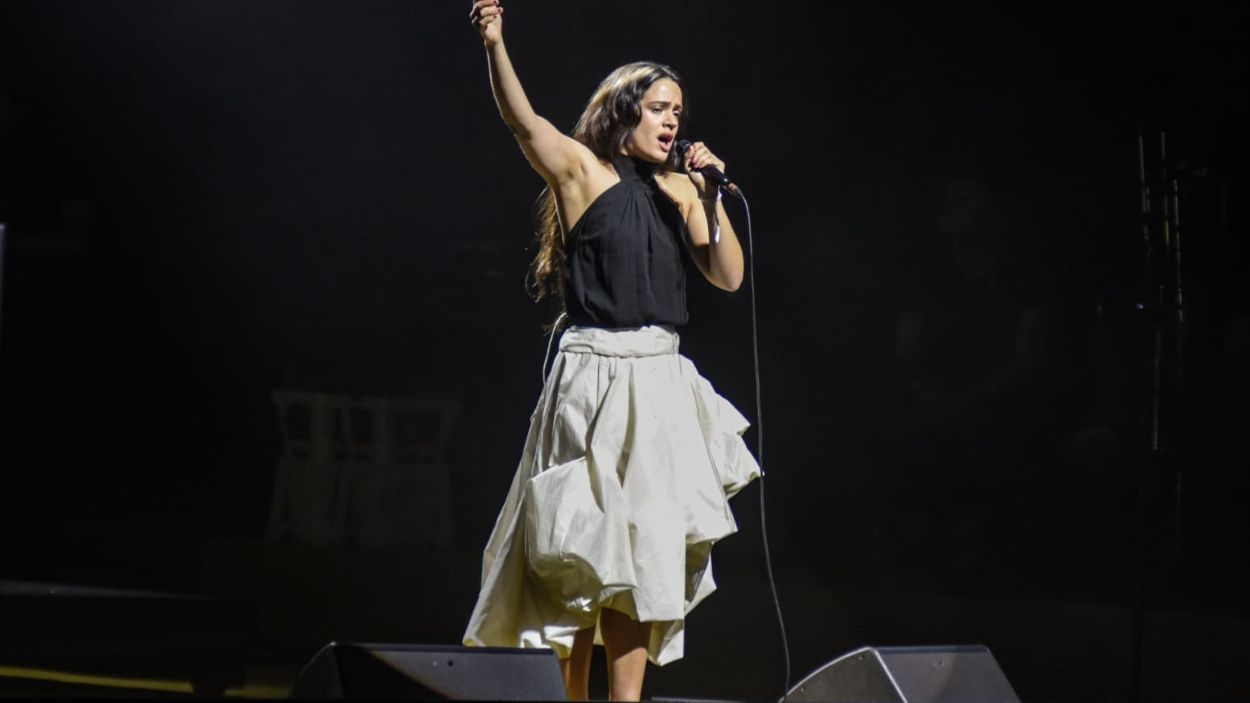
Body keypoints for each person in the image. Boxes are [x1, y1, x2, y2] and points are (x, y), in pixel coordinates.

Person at [461, 1, 760, 700]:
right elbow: (524, 123)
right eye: (658, 108)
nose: (671, 121)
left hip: (658, 377)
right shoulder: (583, 172)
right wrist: (495, 43)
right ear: (625, 111)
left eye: (678, 112)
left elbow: (728, 276)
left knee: (643, 549)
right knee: (583, 544)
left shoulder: (682, 188)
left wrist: (710, 196)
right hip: (594, 374)